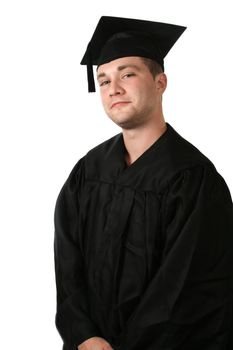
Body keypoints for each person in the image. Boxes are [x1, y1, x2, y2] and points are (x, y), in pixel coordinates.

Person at [54, 16, 233, 350]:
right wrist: (84, 334)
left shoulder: (193, 179)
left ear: (160, 82)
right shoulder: (87, 171)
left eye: (128, 74)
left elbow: (187, 293)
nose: (114, 89)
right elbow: (67, 263)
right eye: (104, 80)